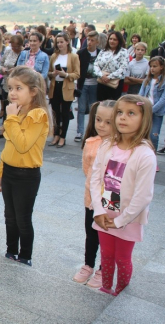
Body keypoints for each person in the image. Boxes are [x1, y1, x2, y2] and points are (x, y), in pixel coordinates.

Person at [90, 95, 156, 295]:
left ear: (143, 119)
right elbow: (95, 180)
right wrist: (99, 211)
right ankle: (106, 288)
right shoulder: (107, 146)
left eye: (131, 113)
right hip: (105, 215)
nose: (123, 118)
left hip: (128, 219)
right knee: (107, 255)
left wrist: (121, 221)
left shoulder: (145, 155)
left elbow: (143, 196)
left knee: (122, 258)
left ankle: (120, 291)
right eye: (119, 112)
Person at [0, 66, 50, 266]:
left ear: (33, 91)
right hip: (9, 172)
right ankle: (10, 250)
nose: (12, 93)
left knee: (22, 218)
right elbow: (9, 149)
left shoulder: (38, 115)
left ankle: (25, 256)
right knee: (9, 216)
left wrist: (11, 119)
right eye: (10, 88)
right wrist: (0, 174)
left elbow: (23, 145)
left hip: (27, 175)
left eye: (18, 88)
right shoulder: (16, 114)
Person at [72, 100, 115, 288]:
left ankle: (103, 269)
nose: (101, 125)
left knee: (107, 235)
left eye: (108, 122)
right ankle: (88, 265)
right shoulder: (90, 143)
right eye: (98, 120)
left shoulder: (120, 147)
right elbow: (86, 169)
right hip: (91, 198)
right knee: (91, 235)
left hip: (111, 200)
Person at [47, 33, 80, 148]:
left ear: (67, 42)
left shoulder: (73, 56)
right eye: (58, 42)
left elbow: (77, 74)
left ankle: (63, 136)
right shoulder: (54, 56)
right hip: (55, 86)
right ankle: (56, 134)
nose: (59, 44)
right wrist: (53, 73)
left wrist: (65, 74)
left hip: (67, 87)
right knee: (55, 112)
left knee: (65, 113)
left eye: (62, 42)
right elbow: (49, 72)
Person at [138, 56, 165, 156]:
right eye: (151, 66)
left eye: (155, 66)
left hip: (157, 112)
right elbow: (140, 95)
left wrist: (151, 109)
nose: (152, 68)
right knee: (142, 134)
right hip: (145, 109)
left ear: (162, 67)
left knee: (154, 135)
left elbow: (163, 99)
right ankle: (141, 156)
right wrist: (141, 106)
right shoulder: (147, 80)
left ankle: (152, 157)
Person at [75, 31, 101, 142]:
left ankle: (92, 131)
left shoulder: (101, 53)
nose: (89, 42)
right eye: (88, 40)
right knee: (81, 109)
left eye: (92, 40)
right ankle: (79, 131)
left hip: (96, 85)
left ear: (97, 42)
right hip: (83, 84)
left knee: (93, 109)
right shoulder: (80, 53)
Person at [94, 31, 129, 101]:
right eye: (110, 39)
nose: (112, 41)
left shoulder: (123, 52)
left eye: (115, 39)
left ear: (119, 41)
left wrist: (109, 77)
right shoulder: (103, 51)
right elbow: (96, 64)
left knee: (112, 105)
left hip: (115, 83)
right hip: (102, 82)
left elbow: (123, 68)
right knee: (101, 104)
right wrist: (101, 75)